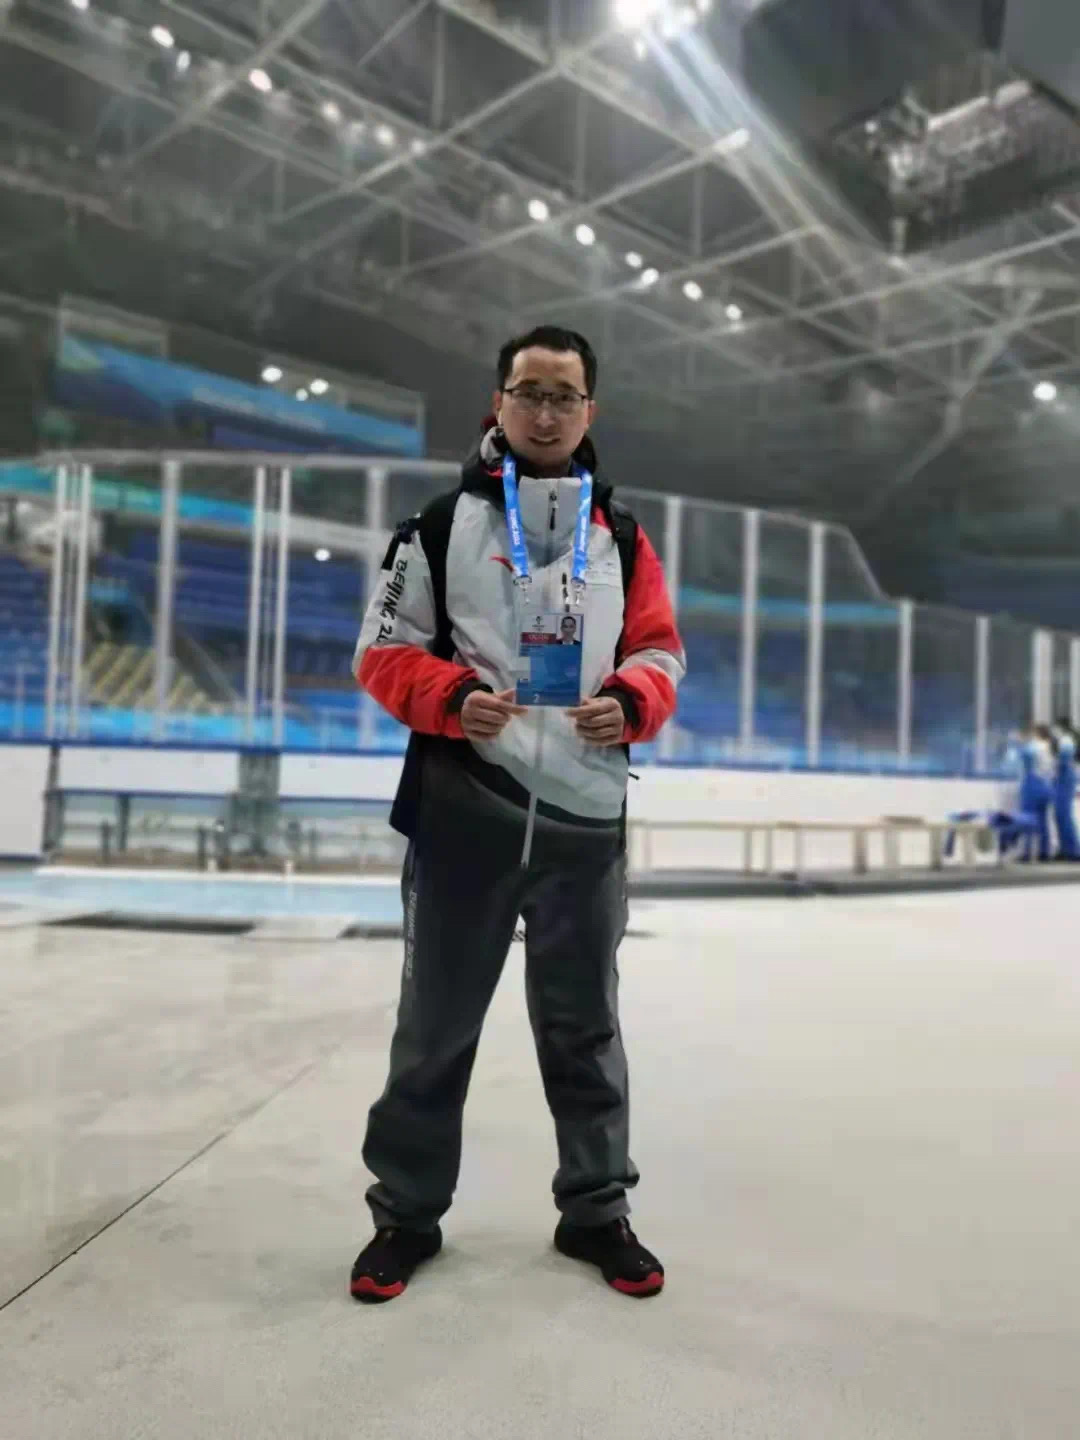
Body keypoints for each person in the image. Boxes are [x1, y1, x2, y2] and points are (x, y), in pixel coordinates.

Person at [348, 325, 685, 1303]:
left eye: (563, 396)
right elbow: (382, 651)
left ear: (589, 412)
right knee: (435, 1028)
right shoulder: (437, 525)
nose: (545, 411)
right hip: (465, 813)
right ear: (498, 401)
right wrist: (452, 697)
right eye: (528, 391)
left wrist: (631, 698)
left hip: (585, 820)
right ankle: (405, 1218)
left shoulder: (623, 537)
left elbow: (660, 650)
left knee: (585, 1031)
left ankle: (597, 1213)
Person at [1019, 724, 1054, 862]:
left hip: (1033, 785)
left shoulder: (1036, 745)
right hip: (1046, 786)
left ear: (1038, 734)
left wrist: (1021, 741)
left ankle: (1027, 853)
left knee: (1027, 819)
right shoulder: (1049, 748)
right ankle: (1044, 852)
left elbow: (1024, 754)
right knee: (1043, 821)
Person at [1051, 718, 1080, 861]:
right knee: (1060, 817)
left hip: (1065, 783)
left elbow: (1063, 763)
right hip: (1062, 783)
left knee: (1065, 817)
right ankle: (1064, 848)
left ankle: (1073, 850)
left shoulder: (1067, 741)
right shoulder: (1064, 742)